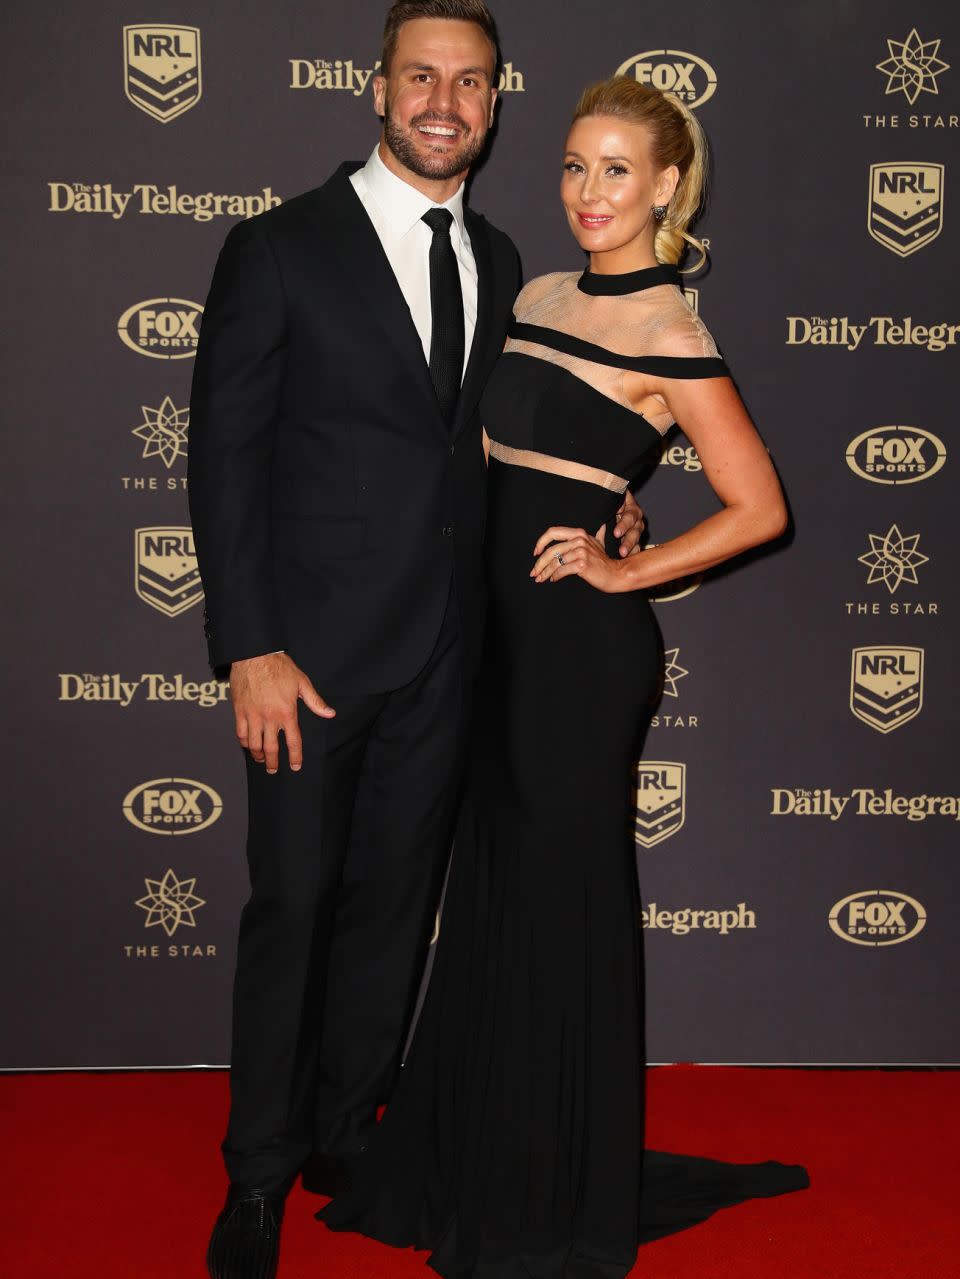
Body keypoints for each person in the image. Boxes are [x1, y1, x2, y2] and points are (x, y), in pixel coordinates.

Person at [320, 76, 809, 1277]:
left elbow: (760, 508)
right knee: (489, 892)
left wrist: (617, 564)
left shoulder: (673, 333)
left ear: (666, 188)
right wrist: (617, 497)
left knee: (556, 899)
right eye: (576, 166)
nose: (590, 192)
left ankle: (548, 1182)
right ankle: (480, 1146)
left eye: (617, 171)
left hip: (576, 662)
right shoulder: (536, 290)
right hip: (485, 638)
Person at [189, 5, 643, 1276]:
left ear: (496, 104)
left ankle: (345, 1128)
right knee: (295, 909)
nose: (446, 101)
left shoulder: (506, 263)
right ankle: (257, 1176)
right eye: (422, 76)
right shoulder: (279, 248)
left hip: (458, 653)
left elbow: (512, 442)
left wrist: (607, 501)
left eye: (472, 82)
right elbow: (222, 463)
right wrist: (249, 646)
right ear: (377, 90)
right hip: (310, 661)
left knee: (396, 906)